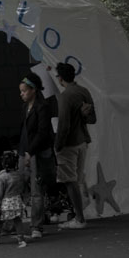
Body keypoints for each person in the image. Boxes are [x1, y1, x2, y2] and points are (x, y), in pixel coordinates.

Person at [54, 62, 96, 230]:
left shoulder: (65, 96)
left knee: (69, 181)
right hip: (83, 141)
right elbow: (93, 119)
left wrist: (57, 145)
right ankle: (80, 213)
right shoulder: (84, 91)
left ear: (60, 78)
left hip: (69, 143)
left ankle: (79, 218)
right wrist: (82, 115)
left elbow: (63, 125)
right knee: (77, 179)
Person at [18, 72, 55, 239]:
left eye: (24, 91)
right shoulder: (26, 107)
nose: (22, 94)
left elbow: (42, 133)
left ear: (33, 90)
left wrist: (30, 152)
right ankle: (15, 224)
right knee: (20, 186)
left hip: (36, 152)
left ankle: (36, 226)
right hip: (25, 149)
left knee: (36, 190)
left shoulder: (42, 106)